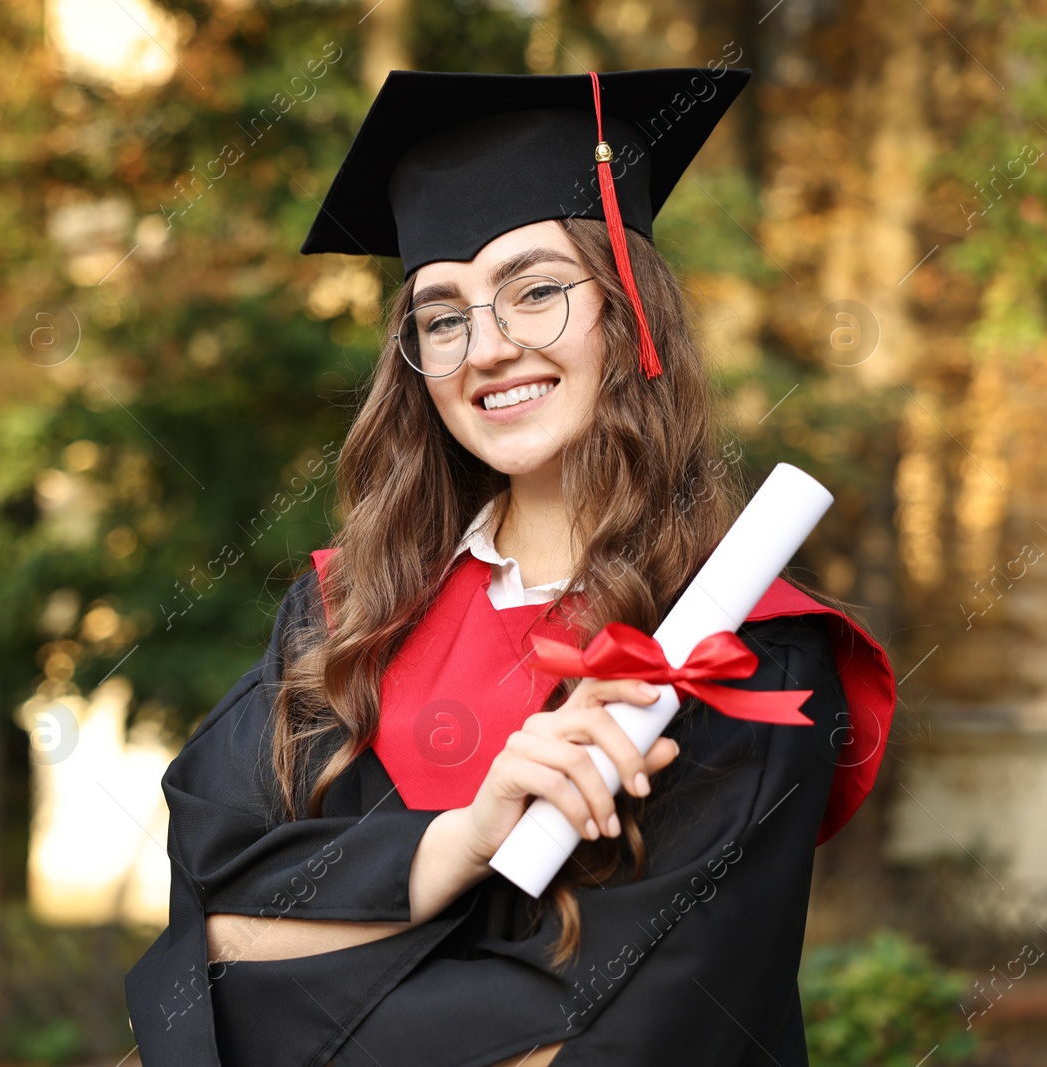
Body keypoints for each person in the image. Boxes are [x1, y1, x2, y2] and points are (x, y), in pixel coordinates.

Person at [125, 66, 896, 1067]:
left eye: (535, 290)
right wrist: (456, 842)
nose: (486, 347)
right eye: (443, 316)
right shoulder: (339, 623)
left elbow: (641, 1035)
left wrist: (284, 975)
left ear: (629, 312)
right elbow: (204, 912)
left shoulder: (736, 651)